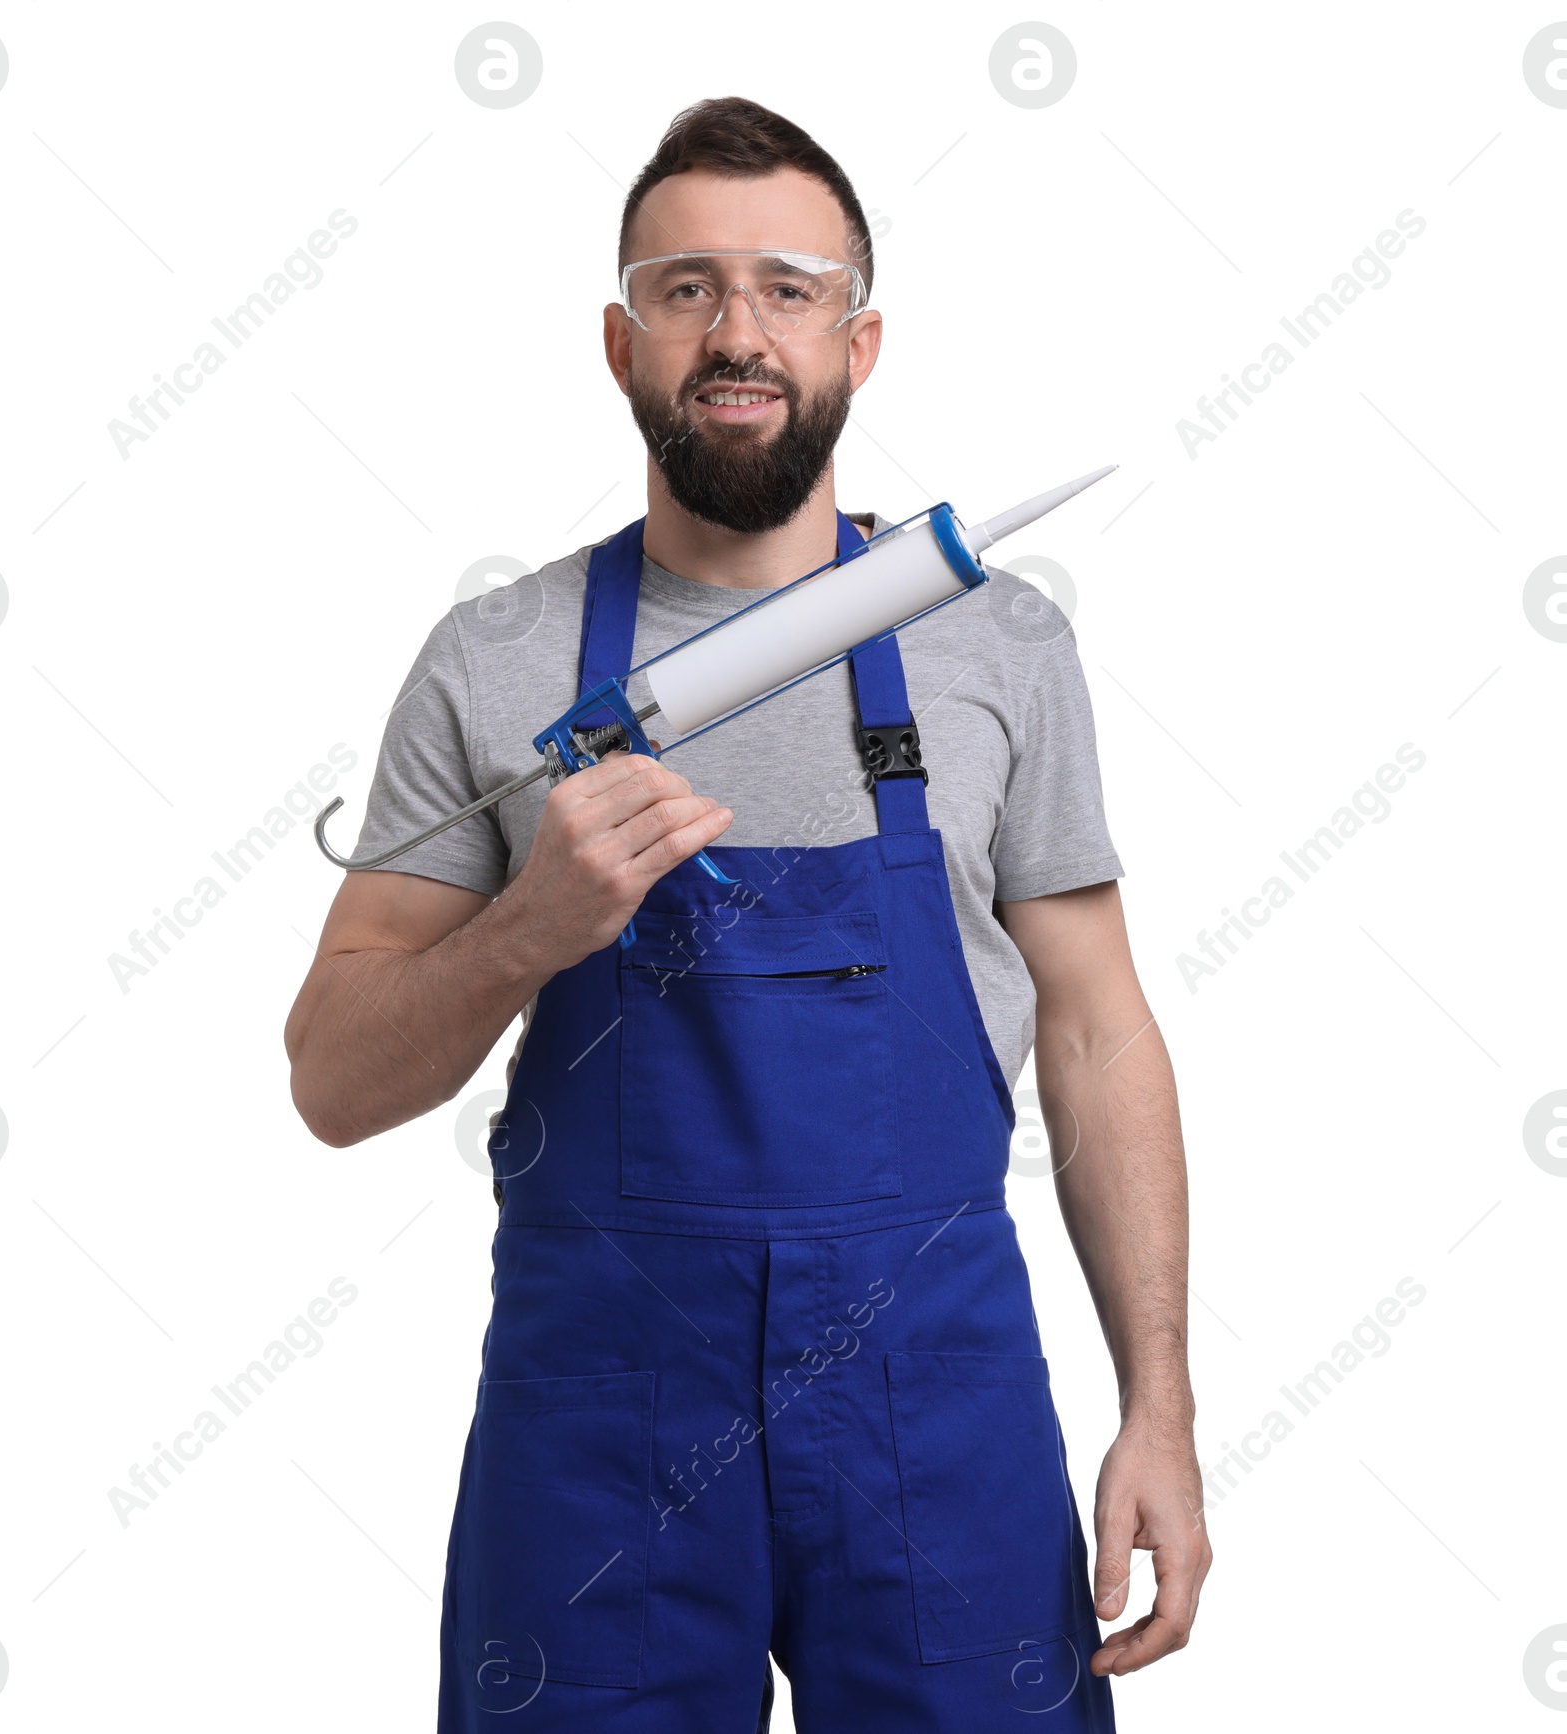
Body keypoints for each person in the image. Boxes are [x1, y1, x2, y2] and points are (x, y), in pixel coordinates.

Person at [285, 95, 1209, 1734]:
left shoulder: (998, 651)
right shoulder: (497, 659)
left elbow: (1098, 1026)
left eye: (788, 287)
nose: (738, 329)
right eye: (686, 284)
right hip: (603, 1435)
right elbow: (334, 1083)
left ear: (860, 340)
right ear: (621, 339)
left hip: (939, 1408)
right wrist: (528, 928)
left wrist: (1161, 1403)